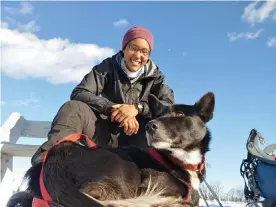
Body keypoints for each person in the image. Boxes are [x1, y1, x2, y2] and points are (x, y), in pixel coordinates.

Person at [31, 26, 175, 165]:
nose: (138, 55)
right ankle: (49, 163)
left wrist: (137, 108)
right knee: (73, 107)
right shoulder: (107, 67)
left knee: (159, 126)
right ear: (124, 48)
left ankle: (154, 176)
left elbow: (168, 106)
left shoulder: (156, 78)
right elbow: (79, 92)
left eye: (144, 51)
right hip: (104, 132)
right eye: (133, 48)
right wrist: (112, 108)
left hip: (136, 138)